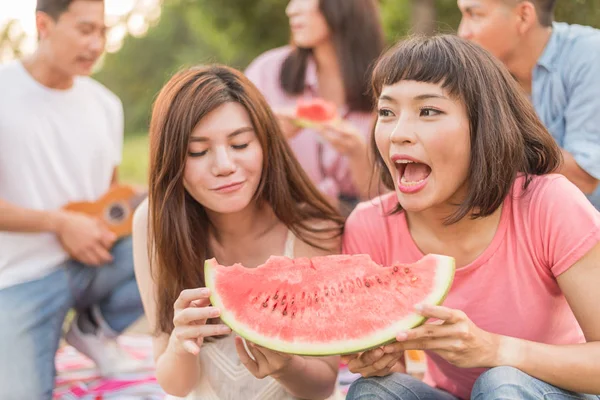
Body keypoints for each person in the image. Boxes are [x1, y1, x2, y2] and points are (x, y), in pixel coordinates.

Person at [341, 35, 600, 400]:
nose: (398, 134)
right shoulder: (369, 227)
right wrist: (377, 359)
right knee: (374, 391)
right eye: (387, 112)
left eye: (428, 111)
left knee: (502, 384)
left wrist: (495, 349)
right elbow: (391, 370)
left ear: (483, 126)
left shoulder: (549, 204)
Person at [132, 64, 344, 399]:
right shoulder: (152, 222)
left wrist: (286, 366)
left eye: (241, 144)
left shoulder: (311, 230)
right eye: (198, 151)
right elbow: (176, 384)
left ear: (265, 144)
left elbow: (322, 385)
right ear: (172, 160)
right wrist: (180, 343)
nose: (224, 165)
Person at [0, 0, 144, 398]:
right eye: (84, 30)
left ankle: (94, 330)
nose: (96, 44)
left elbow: (108, 200)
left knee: (172, 234)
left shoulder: (106, 105)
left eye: (102, 31)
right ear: (43, 24)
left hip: (93, 265)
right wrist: (60, 223)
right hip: (18, 280)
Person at [245, 0, 386, 214]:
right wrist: (266, 135)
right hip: (285, 217)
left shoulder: (386, 83)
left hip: (362, 220)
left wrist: (358, 153)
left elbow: (385, 200)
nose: (291, 10)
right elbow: (236, 148)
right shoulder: (267, 72)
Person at [457, 0, 600, 209]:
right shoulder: (479, 75)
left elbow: (585, 177)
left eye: (475, 15)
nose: (463, 32)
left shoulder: (590, 56)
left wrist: (496, 140)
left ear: (523, 16)